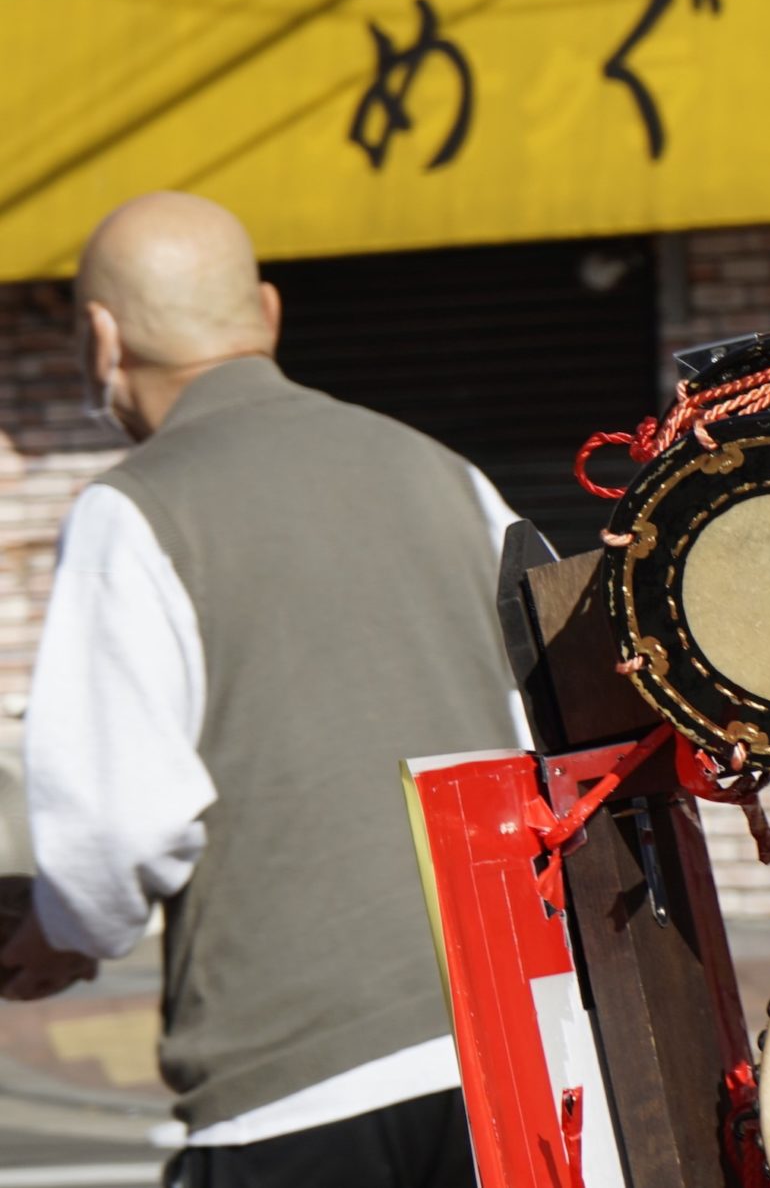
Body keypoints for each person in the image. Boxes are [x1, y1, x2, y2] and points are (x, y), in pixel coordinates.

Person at [0, 193, 527, 1188]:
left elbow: (115, 827)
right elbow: (543, 724)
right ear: (269, 314)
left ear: (100, 339)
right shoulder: (448, 474)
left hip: (295, 1081)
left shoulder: (135, 509)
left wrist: (63, 930)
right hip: (505, 1053)